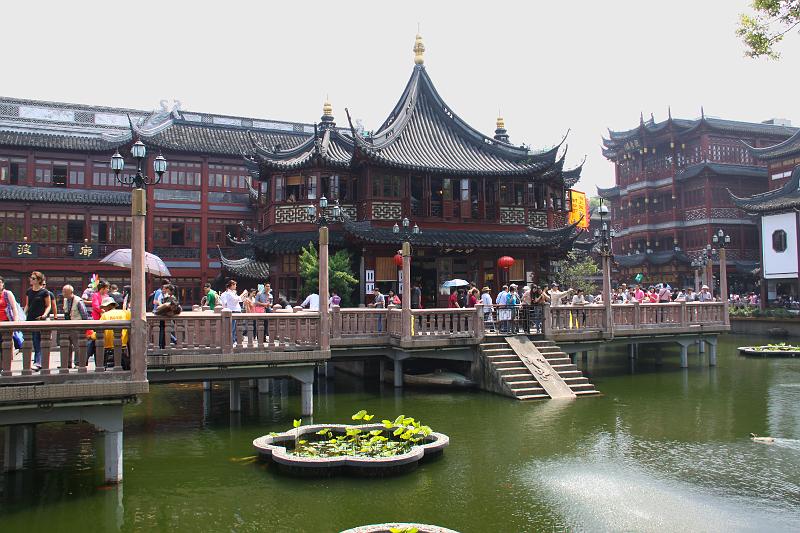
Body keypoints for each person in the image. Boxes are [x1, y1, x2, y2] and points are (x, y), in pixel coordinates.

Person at [90, 296, 131, 369]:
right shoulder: (126, 313)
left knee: (93, 342)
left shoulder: (105, 315)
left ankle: (98, 365)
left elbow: (100, 331)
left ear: (108, 306)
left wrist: (91, 336)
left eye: (104, 307)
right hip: (123, 342)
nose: (103, 309)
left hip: (108, 343)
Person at [24, 271, 51, 371]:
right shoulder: (29, 291)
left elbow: (48, 306)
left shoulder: (44, 292)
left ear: (39, 280)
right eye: (31, 278)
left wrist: (44, 315)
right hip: (30, 319)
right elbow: (27, 305)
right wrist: (23, 314)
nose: (31, 279)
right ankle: (37, 362)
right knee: (30, 342)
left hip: (39, 319)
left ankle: (38, 362)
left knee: (37, 341)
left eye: (33, 278)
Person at [61, 284, 89, 367]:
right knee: (67, 345)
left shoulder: (78, 301)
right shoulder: (65, 300)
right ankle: (67, 363)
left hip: (77, 326)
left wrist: (84, 327)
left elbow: (84, 314)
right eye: (63, 291)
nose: (63, 293)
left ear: (71, 292)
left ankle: (79, 363)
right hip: (67, 325)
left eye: (65, 292)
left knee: (78, 346)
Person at [0, 276, 21, 350]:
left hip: (6, 321)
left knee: (7, 343)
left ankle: (8, 360)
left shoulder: (7, 293)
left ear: (3, 284)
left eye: (0, 282)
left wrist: (15, 321)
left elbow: (14, 308)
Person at [219, 279, 243, 344]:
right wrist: (242, 294)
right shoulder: (227, 294)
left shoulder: (233, 293)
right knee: (232, 327)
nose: (236, 286)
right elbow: (230, 301)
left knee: (236, 327)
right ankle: (231, 340)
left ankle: (234, 339)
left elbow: (239, 300)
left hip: (236, 310)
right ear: (231, 285)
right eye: (235, 285)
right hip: (232, 311)